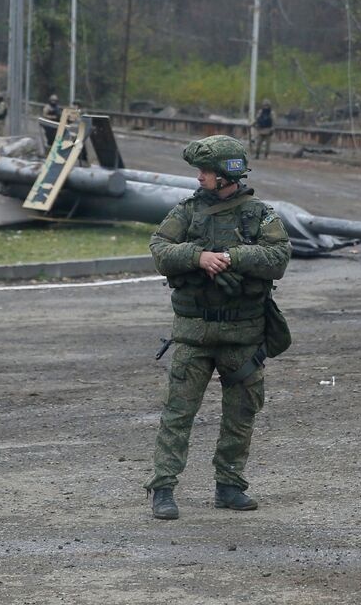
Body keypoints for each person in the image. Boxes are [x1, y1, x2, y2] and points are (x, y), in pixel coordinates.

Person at [145, 135, 292, 520]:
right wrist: (198, 256)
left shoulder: (259, 213)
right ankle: (163, 488)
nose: (198, 178)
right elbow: (159, 248)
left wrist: (232, 257)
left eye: (206, 172)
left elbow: (279, 257)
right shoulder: (187, 211)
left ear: (228, 175)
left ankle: (229, 485)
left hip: (243, 338)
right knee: (178, 413)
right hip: (194, 334)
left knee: (241, 414)